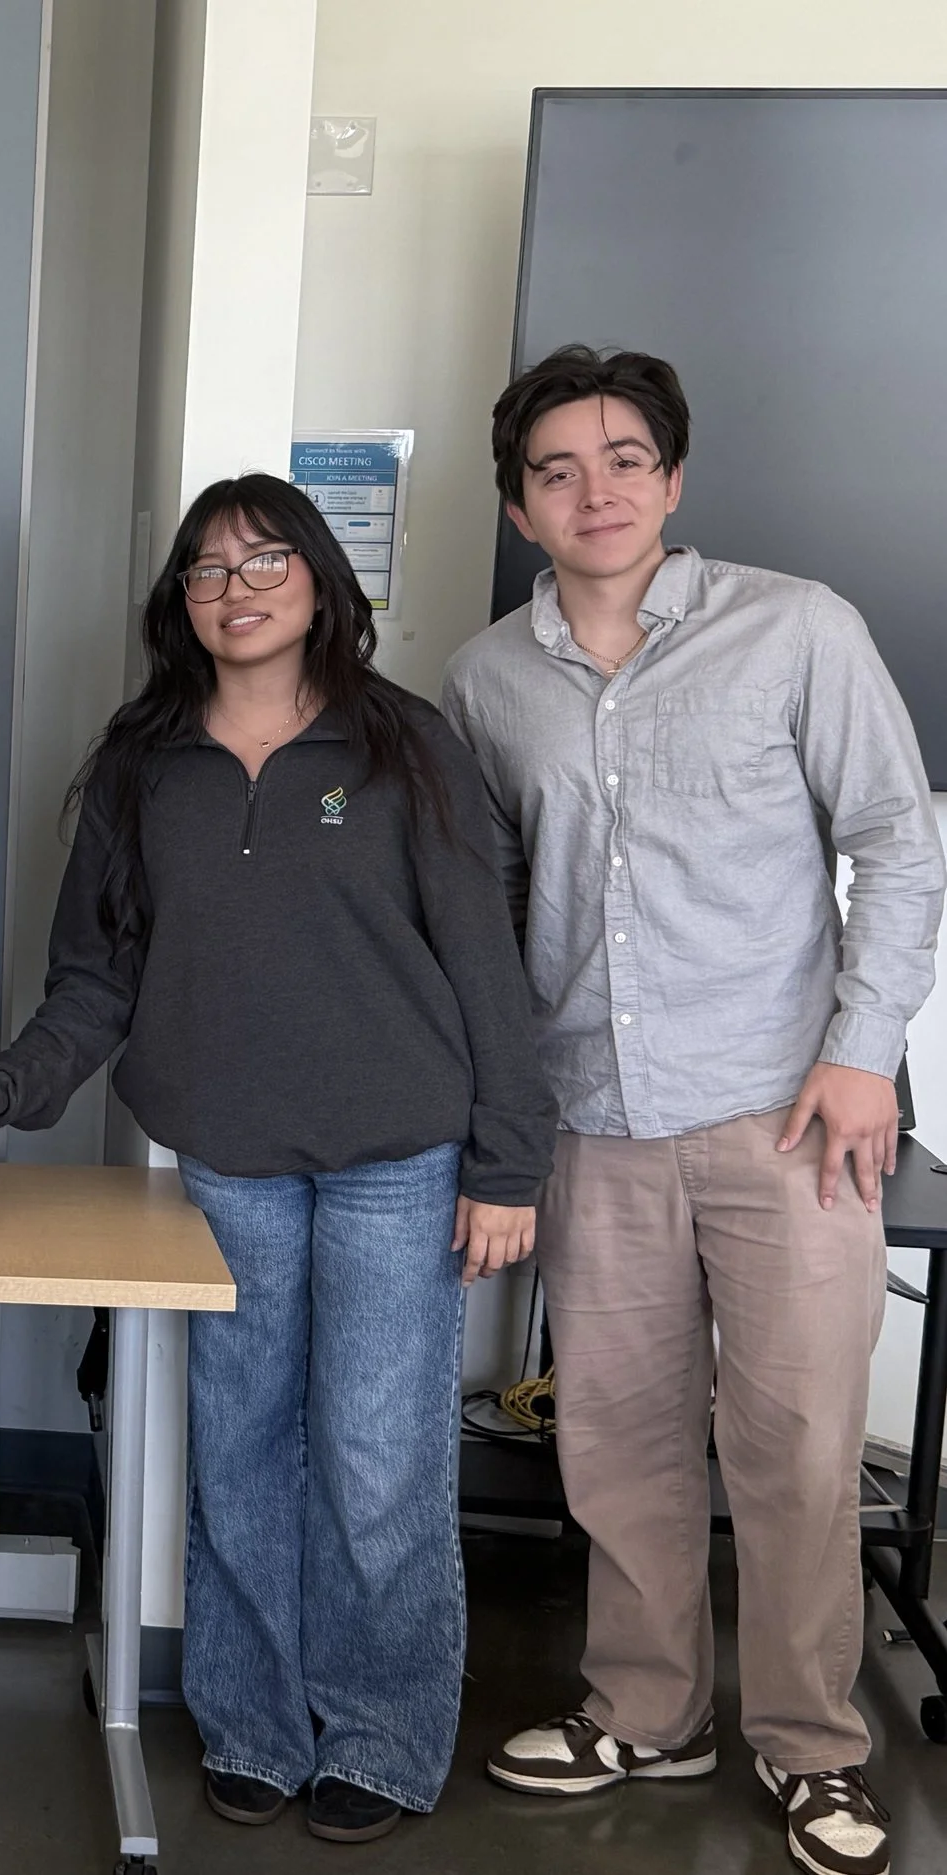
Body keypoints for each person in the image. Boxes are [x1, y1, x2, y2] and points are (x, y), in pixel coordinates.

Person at [0, 474, 554, 1843]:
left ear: (323, 581)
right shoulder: (145, 763)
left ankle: (383, 1736)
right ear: (182, 602)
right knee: (243, 1450)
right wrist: (0, 1087)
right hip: (225, 1157)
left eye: (268, 555)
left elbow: (486, 968)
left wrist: (510, 1165)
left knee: (378, 1458)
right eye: (209, 567)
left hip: (403, 1154)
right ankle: (256, 1723)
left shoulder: (407, 748)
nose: (239, 583)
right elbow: (94, 977)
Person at [447, 346, 943, 1875]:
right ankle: (647, 1710)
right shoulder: (486, 679)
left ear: (673, 477)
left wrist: (867, 1051)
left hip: (787, 1111)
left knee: (797, 1447)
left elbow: (899, 846)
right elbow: (490, 906)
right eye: (556, 469)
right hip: (594, 1114)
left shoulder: (796, 630)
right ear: (521, 505)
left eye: (622, 459)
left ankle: (812, 1746)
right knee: (617, 1441)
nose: (593, 490)